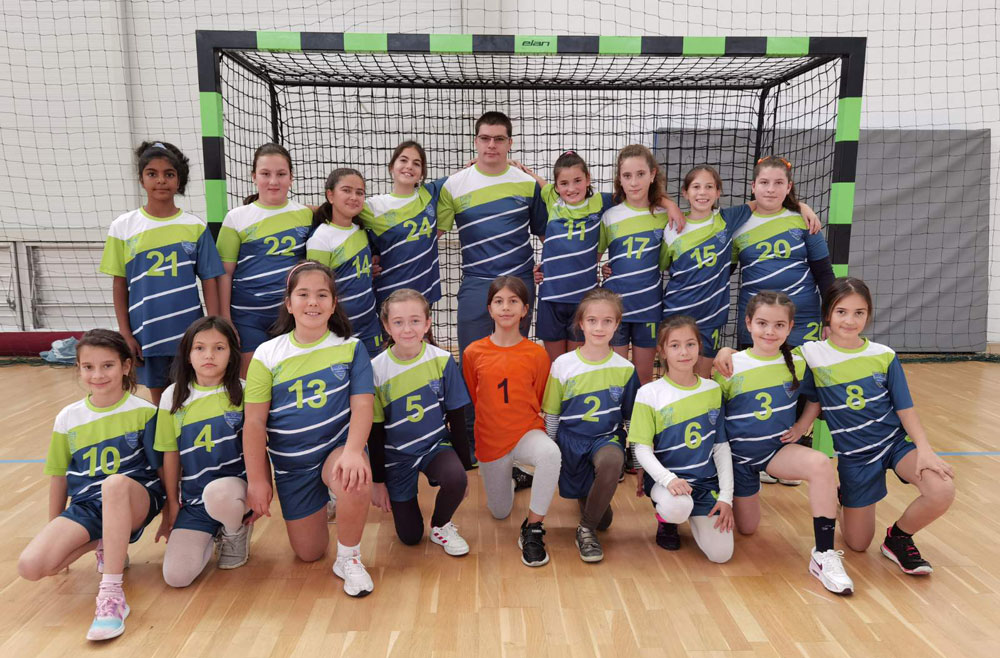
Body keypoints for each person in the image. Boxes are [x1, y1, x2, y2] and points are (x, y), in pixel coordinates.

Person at [17, 329, 165, 641]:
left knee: (114, 485)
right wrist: (55, 526)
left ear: (126, 366)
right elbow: (59, 475)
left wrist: (171, 513)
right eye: (88, 367)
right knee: (32, 566)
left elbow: (163, 469)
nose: (97, 375)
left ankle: (111, 596)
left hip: (135, 498)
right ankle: (106, 542)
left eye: (107, 365)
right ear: (79, 368)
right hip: (88, 505)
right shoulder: (68, 418)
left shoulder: (145, 412)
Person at [800, 277, 954, 574]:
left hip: (893, 443)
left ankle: (898, 538)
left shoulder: (884, 355)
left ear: (868, 314)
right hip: (855, 457)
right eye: (842, 312)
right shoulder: (812, 354)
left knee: (942, 490)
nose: (850, 320)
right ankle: (844, 496)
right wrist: (727, 353)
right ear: (828, 314)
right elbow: (769, 356)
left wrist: (924, 449)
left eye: (859, 312)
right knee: (857, 543)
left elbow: (905, 409)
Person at [243, 261, 376, 596]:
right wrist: (258, 480)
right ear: (289, 304)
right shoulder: (267, 354)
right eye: (303, 294)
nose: (312, 302)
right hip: (293, 465)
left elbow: (363, 406)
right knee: (309, 553)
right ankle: (327, 499)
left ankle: (349, 558)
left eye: (321, 295)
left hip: (335, 449)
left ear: (333, 304)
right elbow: (255, 422)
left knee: (354, 477)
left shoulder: (351, 347)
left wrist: (353, 452)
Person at [712, 292, 853, 594]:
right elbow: (712, 417)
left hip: (775, 452)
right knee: (748, 529)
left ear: (790, 328)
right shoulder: (730, 365)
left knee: (820, 464)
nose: (769, 331)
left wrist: (801, 426)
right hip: (737, 461)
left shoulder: (798, 363)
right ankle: (747, 490)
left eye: (779, 325)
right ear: (748, 323)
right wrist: (724, 349)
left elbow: (815, 399)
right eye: (762, 323)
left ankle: (824, 553)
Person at [437, 111, 547, 463]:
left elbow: (551, 232)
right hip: (475, 284)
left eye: (499, 139)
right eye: (485, 138)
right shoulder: (454, 185)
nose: (491, 145)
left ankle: (512, 440)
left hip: (519, 284)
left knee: (511, 366)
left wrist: (550, 267)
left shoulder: (527, 184)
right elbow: (428, 231)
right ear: (476, 141)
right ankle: (472, 443)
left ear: (509, 143)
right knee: (472, 365)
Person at [100, 141, 224, 404]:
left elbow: (210, 280)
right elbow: (120, 284)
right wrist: (125, 333)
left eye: (169, 174)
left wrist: (213, 325)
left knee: (192, 396)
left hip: (189, 333)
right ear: (141, 179)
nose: (161, 180)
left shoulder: (195, 227)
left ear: (179, 180)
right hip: (148, 333)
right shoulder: (123, 227)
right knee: (161, 403)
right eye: (152, 173)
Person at [462, 276, 561, 567]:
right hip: (491, 441)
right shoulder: (473, 353)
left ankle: (533, 527)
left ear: (525, 309)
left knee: (550, 454)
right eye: (499, 301)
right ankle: (516, 477)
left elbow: (538, 398)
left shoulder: (537, 354)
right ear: (490, 309)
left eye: (513, 301)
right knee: (499, 511)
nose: (506, 307)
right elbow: (474, 396)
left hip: (525, 433)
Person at [369, 289, 473, 555]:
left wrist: (463, 472)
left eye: (415, 321)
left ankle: (441, 526)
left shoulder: (441, 360)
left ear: (427, 323)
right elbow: (375, 431)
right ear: (386, 326)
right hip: (396, 455)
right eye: (398, 322)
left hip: (434, 447)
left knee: (455, 478)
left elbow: (457, 417)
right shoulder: (376, 369)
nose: (407, 329)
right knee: (411, 537)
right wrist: (378, 482)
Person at [541, 288, 639, 562]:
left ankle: (585, 530)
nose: (599, 327)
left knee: (611, 461)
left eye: (607, 321)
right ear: (581, 323)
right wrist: (551, 451)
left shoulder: (625, 369)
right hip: (571, 442)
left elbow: (630, 418)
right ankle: (589, 499)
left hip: (606, 439)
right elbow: (553, 414)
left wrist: (635, 459)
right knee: (604, 520)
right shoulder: (563, 364)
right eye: (592, 320)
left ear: (617, 325)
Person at [155, 316, 253, 587]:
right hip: (194, 500)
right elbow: (170, 453)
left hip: (234, 492)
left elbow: (259, 447)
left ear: (231, 354)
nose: (209, 355)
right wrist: (172, 504)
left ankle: (234, 530)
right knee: (176, 578)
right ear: (188, 354)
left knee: (218, 494)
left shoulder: (244, 392)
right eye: (200, 348)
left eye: (219, 348)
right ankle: (211, 533)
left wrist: (259, 489)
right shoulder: (173, 396)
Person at [628, 315, 734, 562]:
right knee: (678, 507)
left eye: (690, 344)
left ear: (699, 347)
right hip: (668, 483)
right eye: (675, 345)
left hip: (705, 483)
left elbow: (720, 447)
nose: (684, 352)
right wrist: (668, 479)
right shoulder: (649, 393)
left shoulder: (713, 390)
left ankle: (697, 513)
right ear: (662, 351)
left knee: (721, 555)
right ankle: (668, 521)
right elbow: (641, 448)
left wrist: (726, 497)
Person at [217, 143, 313, 376]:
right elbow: (224, 274)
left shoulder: (306, 215)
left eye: (281, 174)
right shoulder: (236, 218)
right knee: (252, 383)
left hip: (290, 315)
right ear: (254, 177)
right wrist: (225, 318)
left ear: (291, 178)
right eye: (265, 174)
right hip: (247, 317)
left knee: (287, 381)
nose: (273, 181)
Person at [599, 144, 683, 385]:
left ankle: (640, 412)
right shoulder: (610, 216)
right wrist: (603, 270)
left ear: (652, 174)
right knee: (617, 377)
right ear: (619, 179)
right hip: (616, 308)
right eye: (627, 176)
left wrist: (670, 205)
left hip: (649, 307)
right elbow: (593, 257)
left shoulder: (664, 217)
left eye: (640, 174)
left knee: (644, 377)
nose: (634, 182)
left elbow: (666, 262)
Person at [732, 156, 834, 348]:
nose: (771, 189)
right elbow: (722, 274)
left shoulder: (805, 220)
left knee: (800, 368)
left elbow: (825, 274)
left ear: (788, 187)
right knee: (757, 368)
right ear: (753, 186)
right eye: (764, 182)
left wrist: (829, 319)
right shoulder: (737, 225)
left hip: (802, 318)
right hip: (757, 319)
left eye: (778, 183)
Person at [306, 168, 384, 356]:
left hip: (369, 326)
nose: (354, 197)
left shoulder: (361, 230)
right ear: (330, 195)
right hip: (338, 329)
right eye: (346, 190)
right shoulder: (321, 238)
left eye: (360, 192)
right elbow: (315, 289)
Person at [360, 141, 444, 312]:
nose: (409, 166)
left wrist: (488, 164)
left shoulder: (429, 194)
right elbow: (337, 209)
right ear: (392, 167)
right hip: (389, 297)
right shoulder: (373, 206)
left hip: (423, 296)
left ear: (422, 174)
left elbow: (464, 177)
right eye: (403, 160)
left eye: (416, 163)